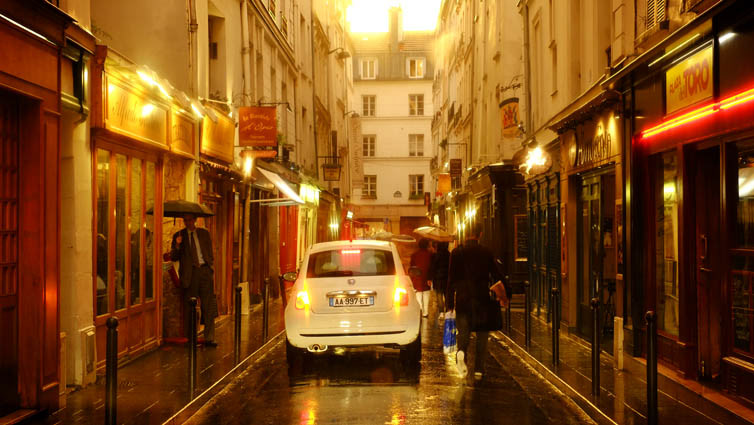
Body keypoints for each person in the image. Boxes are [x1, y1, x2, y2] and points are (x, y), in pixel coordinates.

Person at [448, 222, 509, 379]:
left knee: (463, 333)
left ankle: (461, 353)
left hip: (462, 299)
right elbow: (497, 275)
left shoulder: (456, 253)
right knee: (482, 334)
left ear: (465, 234)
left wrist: (449, 304)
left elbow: (451, 280)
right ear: (480, 234)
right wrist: (506, 294)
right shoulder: (486, 252)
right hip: (482, 299)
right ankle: (479, 370)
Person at [170, 213, 218, 347]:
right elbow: (174, 257)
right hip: (189, 274)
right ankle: (191, 338)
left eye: (190, 220)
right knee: (190, 307)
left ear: (195, 220)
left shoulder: (204, 233)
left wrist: (209, 266)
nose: (188, 223)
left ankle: (209, 337)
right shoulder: (179, 236)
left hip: (204, 270)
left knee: (208, 305)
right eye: (185, 220)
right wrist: (178, 245)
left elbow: (209, 251)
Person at [410, 238, 433, 317]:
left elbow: (412, 268)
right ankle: (425, 313)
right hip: (427, 279)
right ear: (427, 245)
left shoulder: (414, 255)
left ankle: (420, 311)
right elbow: (431, 267)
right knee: (426, 296)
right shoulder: (430, 255)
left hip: (417, 280)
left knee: (418, 297)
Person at [429, 241, 450, 320]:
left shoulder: (435, 255)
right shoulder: (449, 255)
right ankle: (447, 311)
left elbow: (433, 267)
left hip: (438, 279)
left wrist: (431, 277)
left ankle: (441, 312)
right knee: (447, 295)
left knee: (439, 295)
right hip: (447, 278)